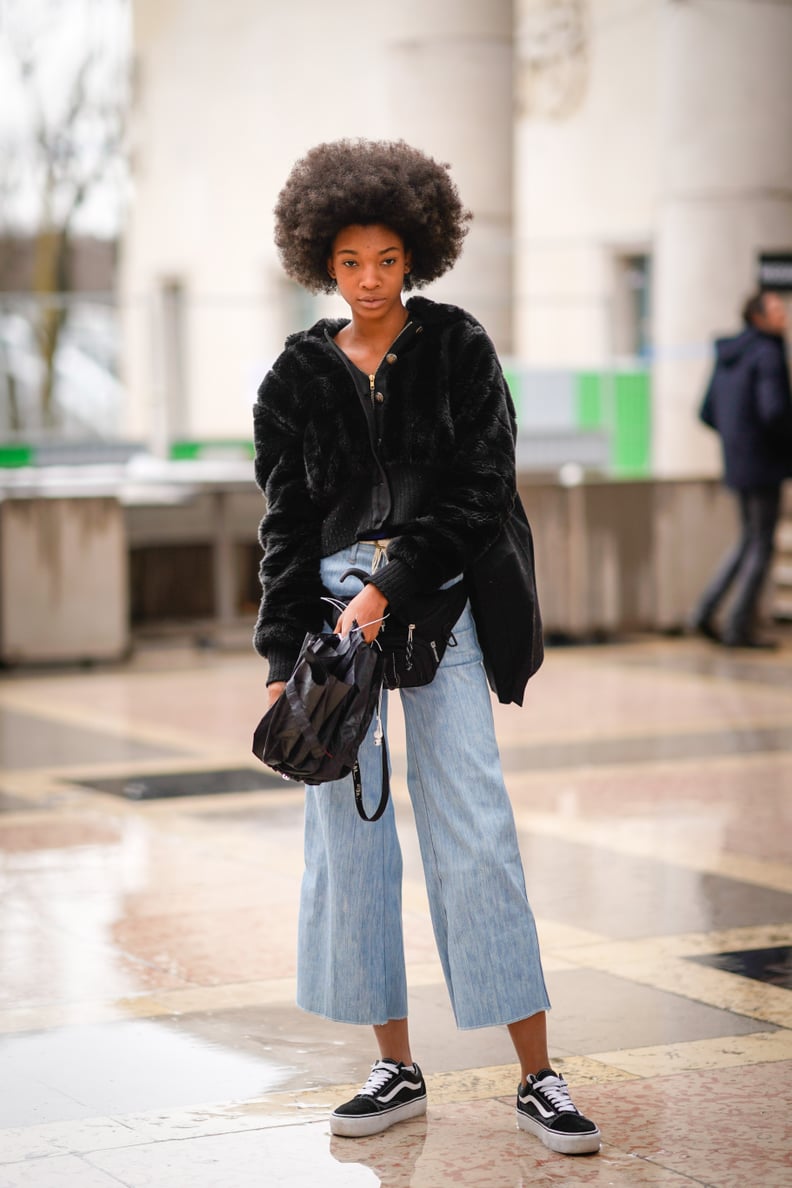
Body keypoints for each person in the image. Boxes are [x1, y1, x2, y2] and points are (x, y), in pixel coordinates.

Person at [252, 138, 600, 1157]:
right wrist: (284, 656)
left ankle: (538, 1073)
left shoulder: (458, 349)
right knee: (350, 846)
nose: (369, 282)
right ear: (323, 259)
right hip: (331, 634)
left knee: (474, 830)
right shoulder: (294, 377)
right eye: (351, 262)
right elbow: (283, 526)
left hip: (437, 612)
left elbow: (482, 492)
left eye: (388, 261)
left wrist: (389, 591)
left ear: (419, 256)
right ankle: (393, 1065)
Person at [690, 290, 792, 648]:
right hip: (764, 463)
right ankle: (738, 627)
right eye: (777, 311)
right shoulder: (768, 352)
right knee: (760, 544)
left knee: (748, 539)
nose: (784, 317)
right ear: (757, 317)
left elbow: (706, 412)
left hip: (737, 461)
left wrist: (737, 439)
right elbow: (774, 411)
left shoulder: (729, 354)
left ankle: (704, 612)